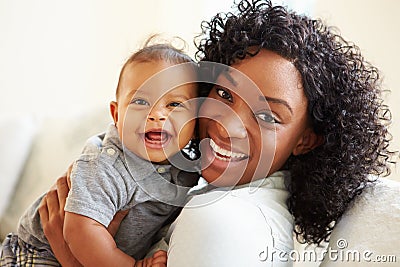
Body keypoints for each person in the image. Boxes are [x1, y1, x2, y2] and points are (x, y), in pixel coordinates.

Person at [38, 0, 396, 266]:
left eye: (266, 115)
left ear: (307, 139)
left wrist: (72, 260)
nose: (226, 124)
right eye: (224, 94)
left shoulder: (220, 221)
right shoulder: (192, 180)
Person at [0, 39, 200, 267]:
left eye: (174, 104)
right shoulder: (106, 164)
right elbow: (80, 230)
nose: (156, 114)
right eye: (141, 101)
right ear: (116, 115)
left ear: (195, 123)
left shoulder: (187, 171)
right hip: (38, 253)